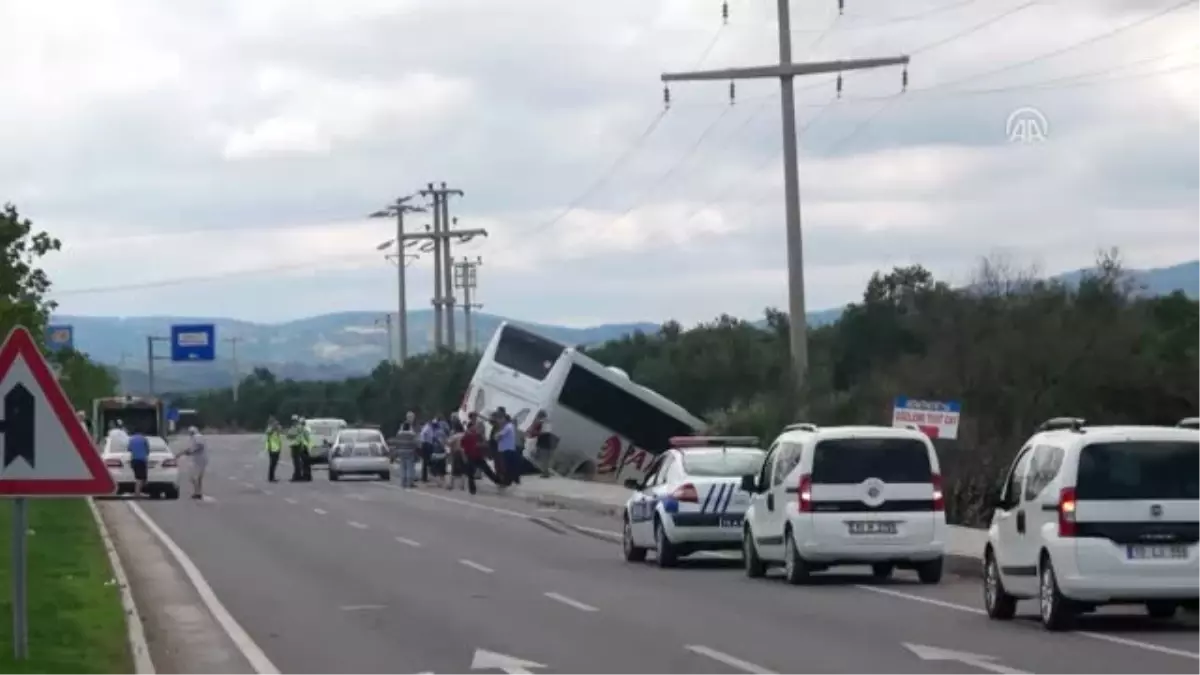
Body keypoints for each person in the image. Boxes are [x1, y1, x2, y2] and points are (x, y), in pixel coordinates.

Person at [461, 417, 502, 495]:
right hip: (471, 456)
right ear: (470, 427)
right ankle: (472, 489)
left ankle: (498, 481)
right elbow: (463, 447)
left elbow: (485, 444)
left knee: (486, 470)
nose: (475, 428)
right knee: (472, 474)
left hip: (477, 456)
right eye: (473, 426)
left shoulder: (477, 435)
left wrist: (480, 445)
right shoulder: (467, 436)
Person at [178, 427, 208, 499]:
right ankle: (198, 492)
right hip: (200, 460)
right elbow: (191, 448)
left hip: (198, 460)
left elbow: (200, 446)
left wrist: (191, 452)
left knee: (193, 477)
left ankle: (197, 492)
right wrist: (182, 453)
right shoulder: (196, 437)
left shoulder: (196, 437)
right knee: (199, 478)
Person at [525, 410, 556, 478]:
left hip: (542, 442)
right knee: (545, 459)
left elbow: (537, 432)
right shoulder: (547, 422)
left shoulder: (540, 422)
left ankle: (545, 472)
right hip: (548, 442)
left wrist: (531, 432)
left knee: (541, 458)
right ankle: (546, 471)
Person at [495, 411, 521, 486]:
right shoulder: (508, 426)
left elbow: (498, 436)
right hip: (507, 449)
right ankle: (513, 479)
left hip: (507, 449)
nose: (499, 421)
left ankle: (507, 482)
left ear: (505, 419)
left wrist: (497, 436)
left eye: (500, 419)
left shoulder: (508, 427)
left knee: (506, 466)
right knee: (510, 465)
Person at [393, 417, 420, 488]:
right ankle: (409, 483)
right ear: (409, 427)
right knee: (409, 467)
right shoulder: (412, 434)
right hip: (410, 452)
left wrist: (396, 451)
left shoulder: (399, 434)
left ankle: (403, 482)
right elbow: (416, 443)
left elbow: (396, 443)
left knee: (402, 467)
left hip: (401, 452)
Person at [127, 430, 151, 498]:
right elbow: (148, 450)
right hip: (141, 460)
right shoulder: (144, 439)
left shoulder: (131, 439)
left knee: (139, 477)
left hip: (134, 460)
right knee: (140, 478)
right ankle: (137, 493)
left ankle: (138, 492)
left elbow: (129, 449)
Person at [445, 419, 467, 491]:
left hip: (457, 453)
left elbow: (448, 443)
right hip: (465, 453)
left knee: (454, 470)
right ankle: (462, 485)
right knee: (463, 470)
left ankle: (451, 484)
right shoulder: (465, 435)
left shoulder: (455, 436)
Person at [286, 416, 306, 482]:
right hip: (295, 445)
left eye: (294, 420)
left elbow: (290, 434)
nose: (293, 422)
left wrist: (289, 433)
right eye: (293, 420)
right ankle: (298, 475)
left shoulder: (297, 427)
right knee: (297, 462)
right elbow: (288, 435)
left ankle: (297, 476)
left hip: (296, 445)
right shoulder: (296, 427)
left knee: (297, 462)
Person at [418, 417, 436, 483]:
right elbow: (422, 434)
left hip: (428, 444)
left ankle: (425, 477)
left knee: (427, 461)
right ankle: (425, 477)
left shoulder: (430, 427)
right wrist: (424, 442)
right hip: (426, 445)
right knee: (426, 462)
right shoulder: (427, 427)